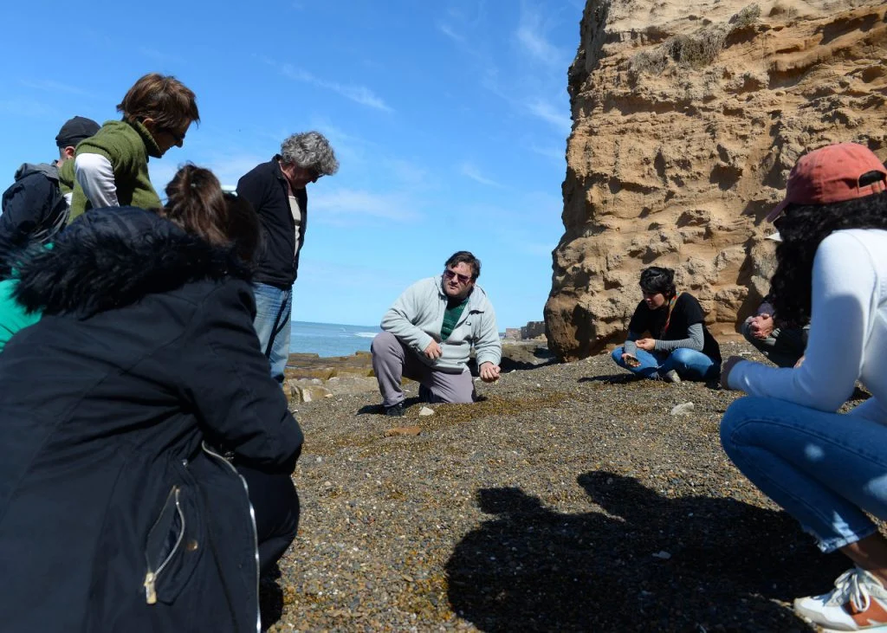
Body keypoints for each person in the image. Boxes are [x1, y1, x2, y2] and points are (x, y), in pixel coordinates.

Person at [0, 165, 303, 632]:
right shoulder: (204, 297)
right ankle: (168, 601)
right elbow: (273, 439)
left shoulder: (90, 282)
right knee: (271, 494)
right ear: (236, 257)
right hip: (48, 544)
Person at [719, 142, 887, 632]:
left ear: (808, 218)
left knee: (746, 424)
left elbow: (820, 392)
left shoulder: (846, 246)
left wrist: (738, 374)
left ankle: (880, 576)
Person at [236, 131, 339, 383]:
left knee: (276, 363)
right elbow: (235, 227)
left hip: (284, 284)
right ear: (298, 161)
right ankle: (241, 417)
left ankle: (270, 416)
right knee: (252, 358)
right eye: (314, 172)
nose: (315, 180)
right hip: (259, 282)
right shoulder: (260, 178)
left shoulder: (299, 189)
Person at [371, 251, 501, 416]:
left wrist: (487, 363)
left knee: (463, 406)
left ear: (472, 282)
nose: (454, 280)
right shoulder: (424, 288)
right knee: (383, 342)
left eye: (462, 277)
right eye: (450, 273)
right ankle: (393, 403)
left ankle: (428, 391)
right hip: (415, 357)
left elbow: (488, 343)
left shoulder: (483, 305)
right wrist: (422, 340)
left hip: (449, 367)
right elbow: (390, 319)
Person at [70, 72, 199, 220]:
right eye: (178, 136)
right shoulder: (126, 138)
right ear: (150, 126)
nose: (179, 144)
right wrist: (114, 222)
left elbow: (67, 173)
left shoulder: (129, 143)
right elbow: (89, 162)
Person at [610, 266, 721, 383]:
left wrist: (656, 344)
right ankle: (664, 374)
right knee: (618, 353)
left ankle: (658, 373)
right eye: (644, 293)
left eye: (652, 294)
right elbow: (631, 339)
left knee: (681, 355)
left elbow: (697, 344)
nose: (647, 298)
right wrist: (630, 354)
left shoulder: (686, 302)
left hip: (702, 360)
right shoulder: (645, 306)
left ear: (667, 292)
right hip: (666, 359)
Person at [0, 116, 100, 245]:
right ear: (70, 153)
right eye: (95, 156)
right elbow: (4, 239)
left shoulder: (87, 192)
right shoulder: (39, 186)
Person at [741, 294, 808, 368]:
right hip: (798, 332)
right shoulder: (790, 283)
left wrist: (775, 320)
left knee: (809, 332)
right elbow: (772, 298)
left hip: (818, 334)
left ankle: (813, 366)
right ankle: (795, 370)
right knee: (750, 327)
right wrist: (766, 316)